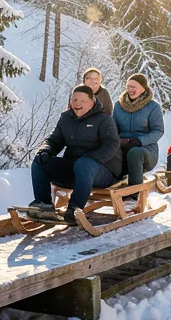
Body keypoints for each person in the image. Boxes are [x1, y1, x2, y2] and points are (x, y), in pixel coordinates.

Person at [31, 85, 122, 224]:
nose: (77, 104)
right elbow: (54, 139)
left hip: (101, 171)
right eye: (74, 100)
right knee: (39, 161)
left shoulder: (104, 120)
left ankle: (74, 208)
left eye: (82, 101)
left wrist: (90, 158)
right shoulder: (66, 117)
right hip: (73, 168)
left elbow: (112, 145)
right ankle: (44, 206)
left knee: (83, 164)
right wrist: (45, 150)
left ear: (92, 102)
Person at [113, 73, 164, 186]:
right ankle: (110, 183)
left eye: (133, 87)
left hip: (146, 149)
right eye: (128, 86)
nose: (129, 89)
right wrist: (118, 141)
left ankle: (134, 191)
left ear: (143, 88)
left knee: (134, 153)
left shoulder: (153, 107)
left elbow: (158, 131)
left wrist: (139, 141)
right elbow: (113, 128)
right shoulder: (118, 105)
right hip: (123, 146)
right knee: (107, 151)